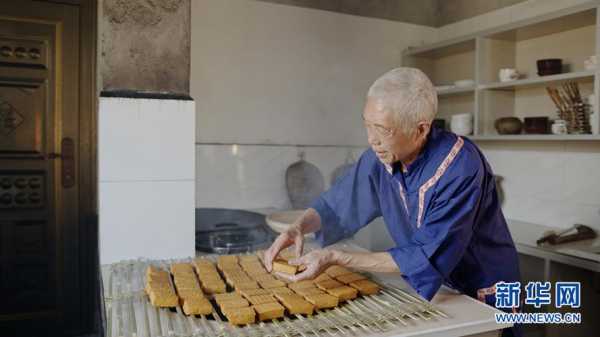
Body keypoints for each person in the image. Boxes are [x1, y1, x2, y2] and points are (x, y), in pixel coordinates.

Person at [263, 67, 521, 337]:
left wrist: (336, 257)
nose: (371, 140)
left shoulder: (460, 167)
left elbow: (424, 255)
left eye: (382, 130)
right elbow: (336, 204)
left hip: (482, 288)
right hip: (436, 287)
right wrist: (298, 226)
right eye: (367, 125)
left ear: (420, 130)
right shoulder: (381, 156)